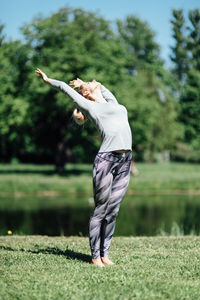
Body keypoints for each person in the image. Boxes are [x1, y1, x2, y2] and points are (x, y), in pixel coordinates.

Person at [35, 68, 132, 267]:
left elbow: (103, 88)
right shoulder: (89, 106)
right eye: (92, 83)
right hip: (106, 161)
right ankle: (95, 256)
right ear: (87, 95)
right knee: (101, 209)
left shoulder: (113, 103)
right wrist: (48, 80)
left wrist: (84, 84)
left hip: (125, 161)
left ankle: (105, 254)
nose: (95, 80)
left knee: (113, 210)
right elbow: (63, 87)